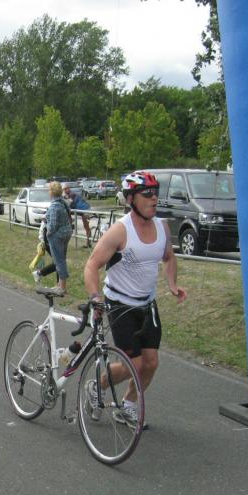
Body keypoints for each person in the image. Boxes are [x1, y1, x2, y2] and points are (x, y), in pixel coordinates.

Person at [83, 170, 187, 425]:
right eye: (147, 194)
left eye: (156, 193)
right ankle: (98, 385)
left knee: (151, 363)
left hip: (147, 304)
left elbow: (168, 257)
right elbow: (92, 265)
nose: (154, 198)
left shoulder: (162, 227)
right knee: (135, 363)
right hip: (120, 304)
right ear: (131, 199)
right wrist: (95, 296)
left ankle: (127, 405)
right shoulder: (120, 231)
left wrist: (172, 284)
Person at [43, 181, 72, 294]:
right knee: (62, 259)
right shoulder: (63, 202)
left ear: (52, 192)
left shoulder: (54, 206)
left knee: (59, 261)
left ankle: (62, 287)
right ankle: (60, 284)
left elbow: (53, 226)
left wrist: (47, 231)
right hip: (66, 233)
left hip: (57, 236)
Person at [63, 182, 93, 248]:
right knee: (86, 226)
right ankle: (88, 243)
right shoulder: (70, 195)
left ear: (69, 188)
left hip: (85, 209)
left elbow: (70, 204)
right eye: (64, 189)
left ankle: (88, 243)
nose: (65, 190)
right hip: (82, 210)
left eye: (66, 189)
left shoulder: (72, 194)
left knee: (86, 226)